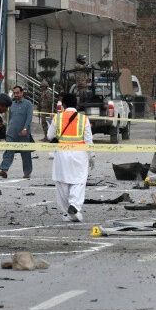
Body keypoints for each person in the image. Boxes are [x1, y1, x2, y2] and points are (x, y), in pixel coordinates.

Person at [47, 93, 95, 222]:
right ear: (76, 104)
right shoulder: (84, 119)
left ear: (64, 105)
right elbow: (88, 140)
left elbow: (50, 136)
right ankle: (74, 205)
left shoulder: (57, 118)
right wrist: (92, 156)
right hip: (79, 153)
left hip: (62, 154)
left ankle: (65, 212)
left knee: (62, 182)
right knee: (79, 181)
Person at [0, 86, 33, 179]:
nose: (16, 95)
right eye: (14, 93)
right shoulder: (12, 104)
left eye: (17, 93)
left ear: (22, 93)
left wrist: (25, 129)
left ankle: (27, 172)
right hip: (11, 132)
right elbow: (10, 118)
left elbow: (29, 118)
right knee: (9, 151)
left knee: (25, 153)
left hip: (23, 133)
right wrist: (8, 129)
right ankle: (4, 170)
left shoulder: (28, 104)